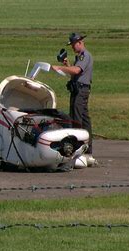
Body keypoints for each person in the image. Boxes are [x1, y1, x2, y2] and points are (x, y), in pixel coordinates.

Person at [52, 32, 96, 166]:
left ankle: (78, 150)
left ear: (79, 43)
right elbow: (75, 72)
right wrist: (67, 64)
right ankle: (87, 150)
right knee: (84, 119)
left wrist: (60, 67)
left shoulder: (84, 55)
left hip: (81, 90)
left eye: (73, 45)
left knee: (77, 120)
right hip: (78, 89)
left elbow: (77, 71)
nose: (72, 47)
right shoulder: (79, 57)